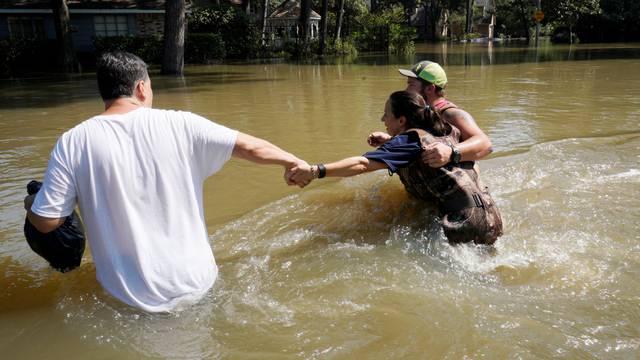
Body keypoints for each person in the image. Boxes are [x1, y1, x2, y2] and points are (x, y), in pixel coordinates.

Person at [23, 51, 308, 312]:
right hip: (199, 285)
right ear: (141, 87)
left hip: (130, 299)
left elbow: (46, 221)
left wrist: (32, 202)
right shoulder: (182, 123)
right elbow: (251, 147)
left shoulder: (74, 141)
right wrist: (294, 163)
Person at [288, 91, 503, 245]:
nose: (382, 119)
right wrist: (390, 140)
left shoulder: (406, 142)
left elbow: (361, 164)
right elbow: (418, 146)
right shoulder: (446, 130)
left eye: (386, 114)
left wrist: (315, 171)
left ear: (401, 120)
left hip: (462, 225)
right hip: (492, 217)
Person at [397, 60, 494, 168]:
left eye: (411, 85)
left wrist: (451, 152)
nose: (406, 90)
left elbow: (486, 145)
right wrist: (389, 140)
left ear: (429, 89)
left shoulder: (451, 114)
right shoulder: (424, 113)